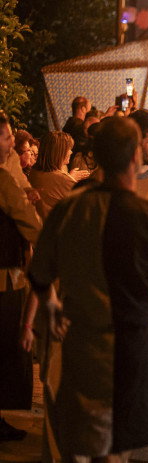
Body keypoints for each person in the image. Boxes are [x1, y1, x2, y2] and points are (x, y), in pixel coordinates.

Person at [27, 116, 148, 461]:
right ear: (135, 156)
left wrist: (51, 304)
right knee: (115, 450)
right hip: (133, 350)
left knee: (85, 444)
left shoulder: (70, 208)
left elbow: (40, 272)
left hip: (83, 344)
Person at [0, 110, 43, 443]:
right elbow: (28, 219)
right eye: (5, 136)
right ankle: (7, 416)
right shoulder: (3, 179)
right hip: (7, 276)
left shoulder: (9, 169)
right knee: (11, 350)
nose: (12, 141)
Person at [29, 131, 89, 219]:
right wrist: (69, 179)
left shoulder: (34, 172)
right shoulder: (62, 179)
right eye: (69, 149)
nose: (71, 152)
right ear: (59, 152)